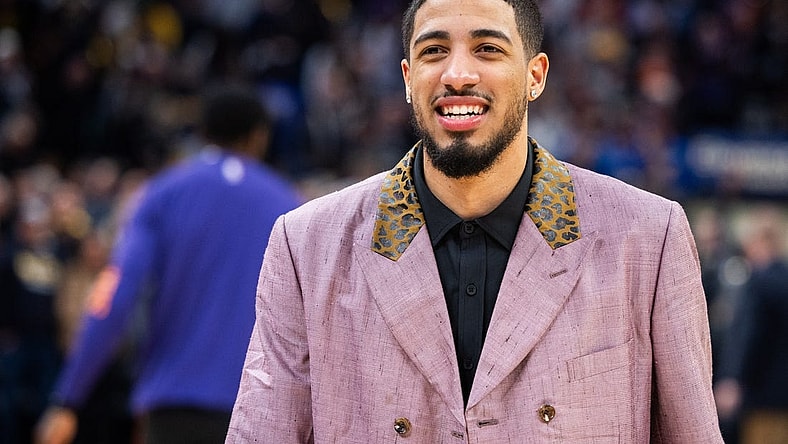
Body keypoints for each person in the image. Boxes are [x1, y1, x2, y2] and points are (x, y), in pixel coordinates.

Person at [227, 0, 724, 441]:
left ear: (536, 75)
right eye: (434, 51)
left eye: (487, 49)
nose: (457, 74)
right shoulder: (306, 244)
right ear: (406, 78)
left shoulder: (647, 238)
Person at [35, 85, 303, 444]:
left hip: (174, 403)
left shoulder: (162, 193)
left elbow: (114, 296)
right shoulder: (290, 206)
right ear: (259, 137)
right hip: (264, 407)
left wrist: (67, 398)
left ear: (203, 132)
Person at [714, 206, 788, 444]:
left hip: (760, 394)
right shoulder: (783, 279)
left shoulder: (758, 283)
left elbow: (747, 335)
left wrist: (733, 378)